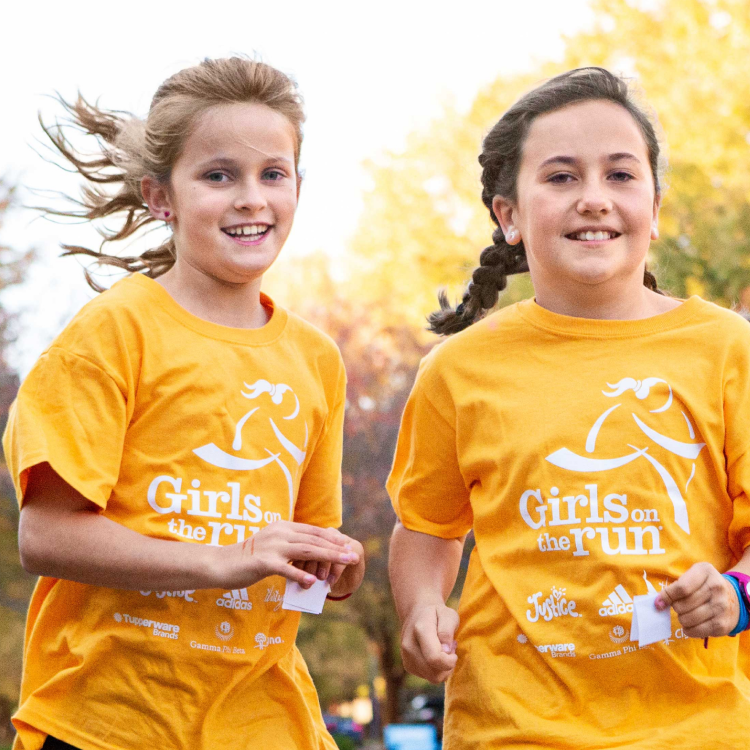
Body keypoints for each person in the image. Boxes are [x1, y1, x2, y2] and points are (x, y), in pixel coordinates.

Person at [4, 56, 365, 750]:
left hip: (263, 724)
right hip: (107, 723)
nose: (252, 198)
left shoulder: (316, 359)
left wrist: (332, 569)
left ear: (297, 186)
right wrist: (221, 557)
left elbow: (294, 563)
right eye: (218, 175)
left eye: (273, 174)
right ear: (159, 196)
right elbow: (45, 536)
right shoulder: (115, 329)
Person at [387, 67, 750, 748]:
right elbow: (428, 530)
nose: (593, 199)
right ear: (509, 215)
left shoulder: (729, 350)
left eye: (620, 175)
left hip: (698, 732)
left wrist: (737, 594)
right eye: (560, 177)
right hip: (512, 730)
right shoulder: (459, 370)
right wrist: (423, 607)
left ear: (656, 205)